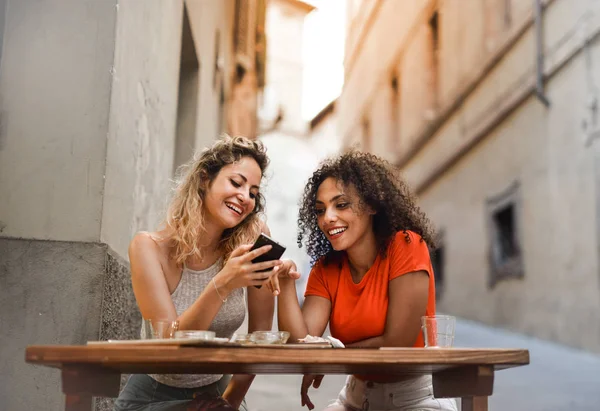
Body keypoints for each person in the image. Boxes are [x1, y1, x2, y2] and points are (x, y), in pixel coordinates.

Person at [274, 151, 458, 411]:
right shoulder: (326, 268)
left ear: (372, 205)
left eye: (341, 204)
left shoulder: (406, 245)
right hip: (357, 398)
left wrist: (330, 355)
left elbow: (397, 344)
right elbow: (300, 347)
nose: (327, 218)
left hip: (417, 397)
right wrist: (285, 284)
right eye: (320, 210)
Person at [114, 135, 282, 411]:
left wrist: (230, 401)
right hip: (153, 396)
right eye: (236, 183)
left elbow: (260, 335)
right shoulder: (148, 248)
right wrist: (223, 283)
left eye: (253, 192)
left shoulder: (253, 239)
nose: (245, 197)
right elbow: (169, 343)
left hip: (219, 393)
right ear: (205, 180)